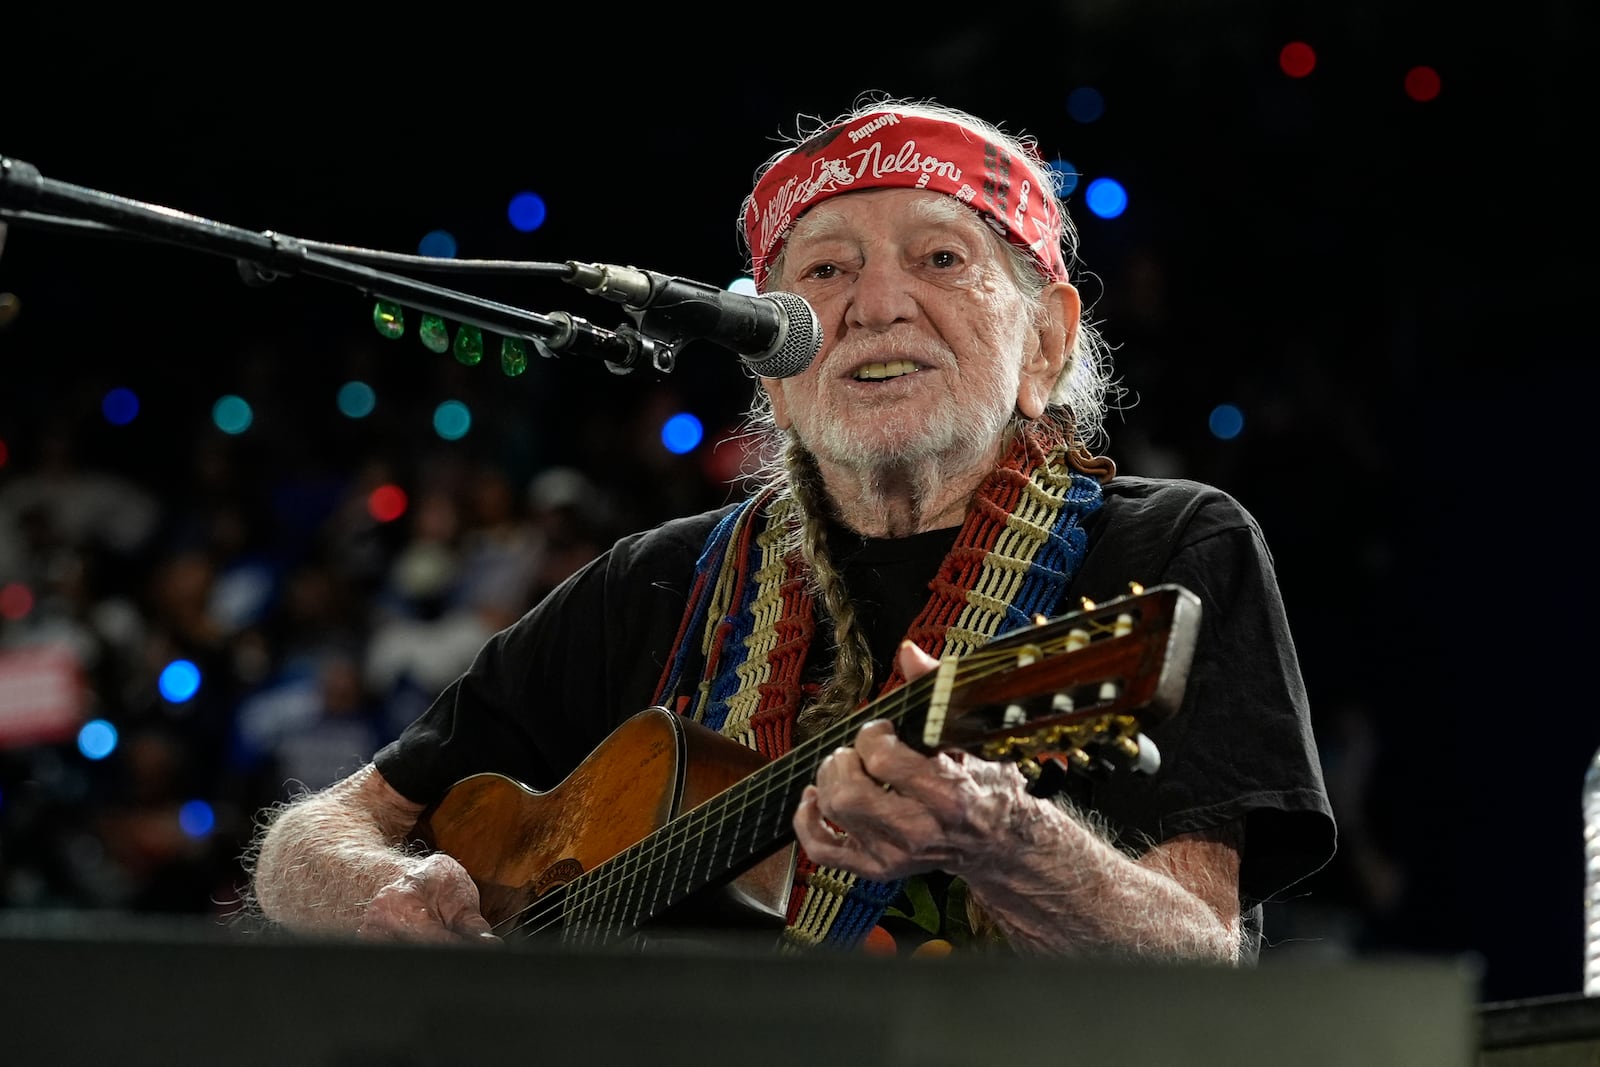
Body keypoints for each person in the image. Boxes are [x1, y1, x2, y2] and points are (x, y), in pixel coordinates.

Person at [245, 94, 1336, 962]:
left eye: (941, 258)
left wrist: (1006, 840)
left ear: (1047, 342)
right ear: (771, 371)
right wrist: (380, 890)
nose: (874, 304)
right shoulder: (657, 579)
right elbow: (309, 837)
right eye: (822, 273)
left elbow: (1200, 966)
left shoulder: (1173, 547)